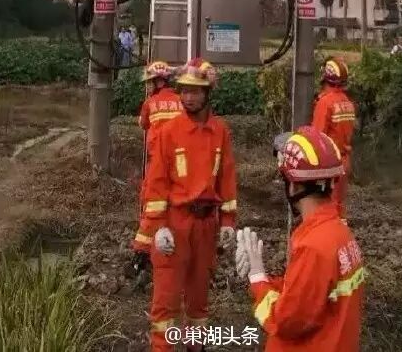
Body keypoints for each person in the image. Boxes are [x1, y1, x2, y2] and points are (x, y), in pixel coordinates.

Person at [132, 58, 237, 351]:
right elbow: (156, 184)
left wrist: (228, 223)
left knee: (198, 302)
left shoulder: (220, 131)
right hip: (175, 225)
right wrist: (158, 228)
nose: (188, 97)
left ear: (207, 93)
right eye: (184, 90)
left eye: (195, 91)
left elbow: (227, 179)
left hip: (206, 226)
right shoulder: (169, 132)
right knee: (165, 302)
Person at [235, 126, 364, 351]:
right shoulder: (339, 234)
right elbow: (303, 294)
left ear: (293, 185)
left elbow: (285, 321)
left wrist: (257, 278)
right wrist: (262, 277)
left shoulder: (314, 246)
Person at [312, 58, 356, 220]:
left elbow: (317, 138)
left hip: (329, 164)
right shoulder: (347, 103)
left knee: (325, 208)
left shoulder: (325, 103)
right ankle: (340, 232)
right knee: (338, 206)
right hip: (344, 161)